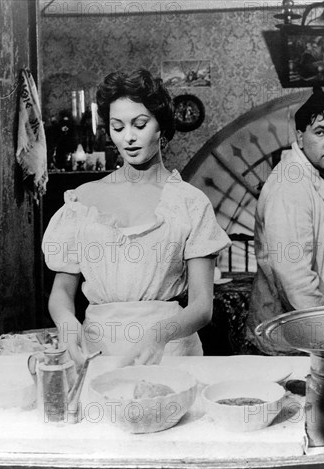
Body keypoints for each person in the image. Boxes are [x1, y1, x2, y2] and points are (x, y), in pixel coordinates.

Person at [42, 69, 230, 367]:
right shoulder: (82, 201)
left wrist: (159, 335)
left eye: (139, 124)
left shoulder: (190, 203)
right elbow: (62, 292)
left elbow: (201, 307)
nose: (128, 137)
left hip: (170, 353)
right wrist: (67, 325)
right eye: (117, 127)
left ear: (162, 127)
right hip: (97, 352)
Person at [245, 87, 324, 354]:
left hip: (319, 332)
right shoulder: (291, 184)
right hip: (292, 341)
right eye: (320, 132)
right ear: (300, 137)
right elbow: (296, 278)